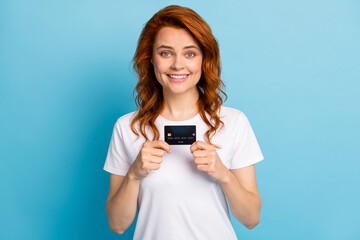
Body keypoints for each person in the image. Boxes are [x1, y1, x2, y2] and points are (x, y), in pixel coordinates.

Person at [103, 5, 264, 239]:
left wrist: (222, 173)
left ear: (204, 60)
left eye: (190, 53)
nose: (178, 65)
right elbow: (117, 225)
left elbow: (251, 219)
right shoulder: (127, 127)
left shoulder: (234, 122)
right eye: (165, 53)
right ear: (151, 60)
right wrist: (134, 174)